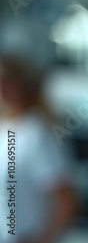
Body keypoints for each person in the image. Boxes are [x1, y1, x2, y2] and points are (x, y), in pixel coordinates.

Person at [0, 55, 78, 243]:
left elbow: (66, 199)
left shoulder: (35, 133)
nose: (2, 89)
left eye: (7, 82)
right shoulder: (5, 128)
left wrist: (44, 239)